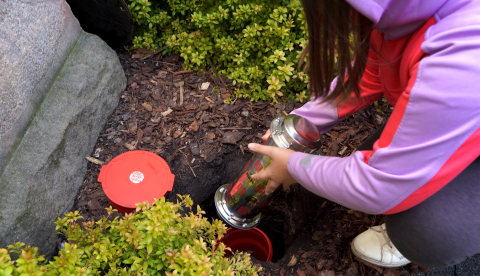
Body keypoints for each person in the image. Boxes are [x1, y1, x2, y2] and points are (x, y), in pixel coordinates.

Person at [248, 0, 480, 269]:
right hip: (465, 114)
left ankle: (421, 237)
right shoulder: (399, 13)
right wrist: (299, 125)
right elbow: (370, 74)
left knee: (425, 231)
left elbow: (376, 183)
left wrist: (292, 166)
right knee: (369, 156)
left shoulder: (462, 56)